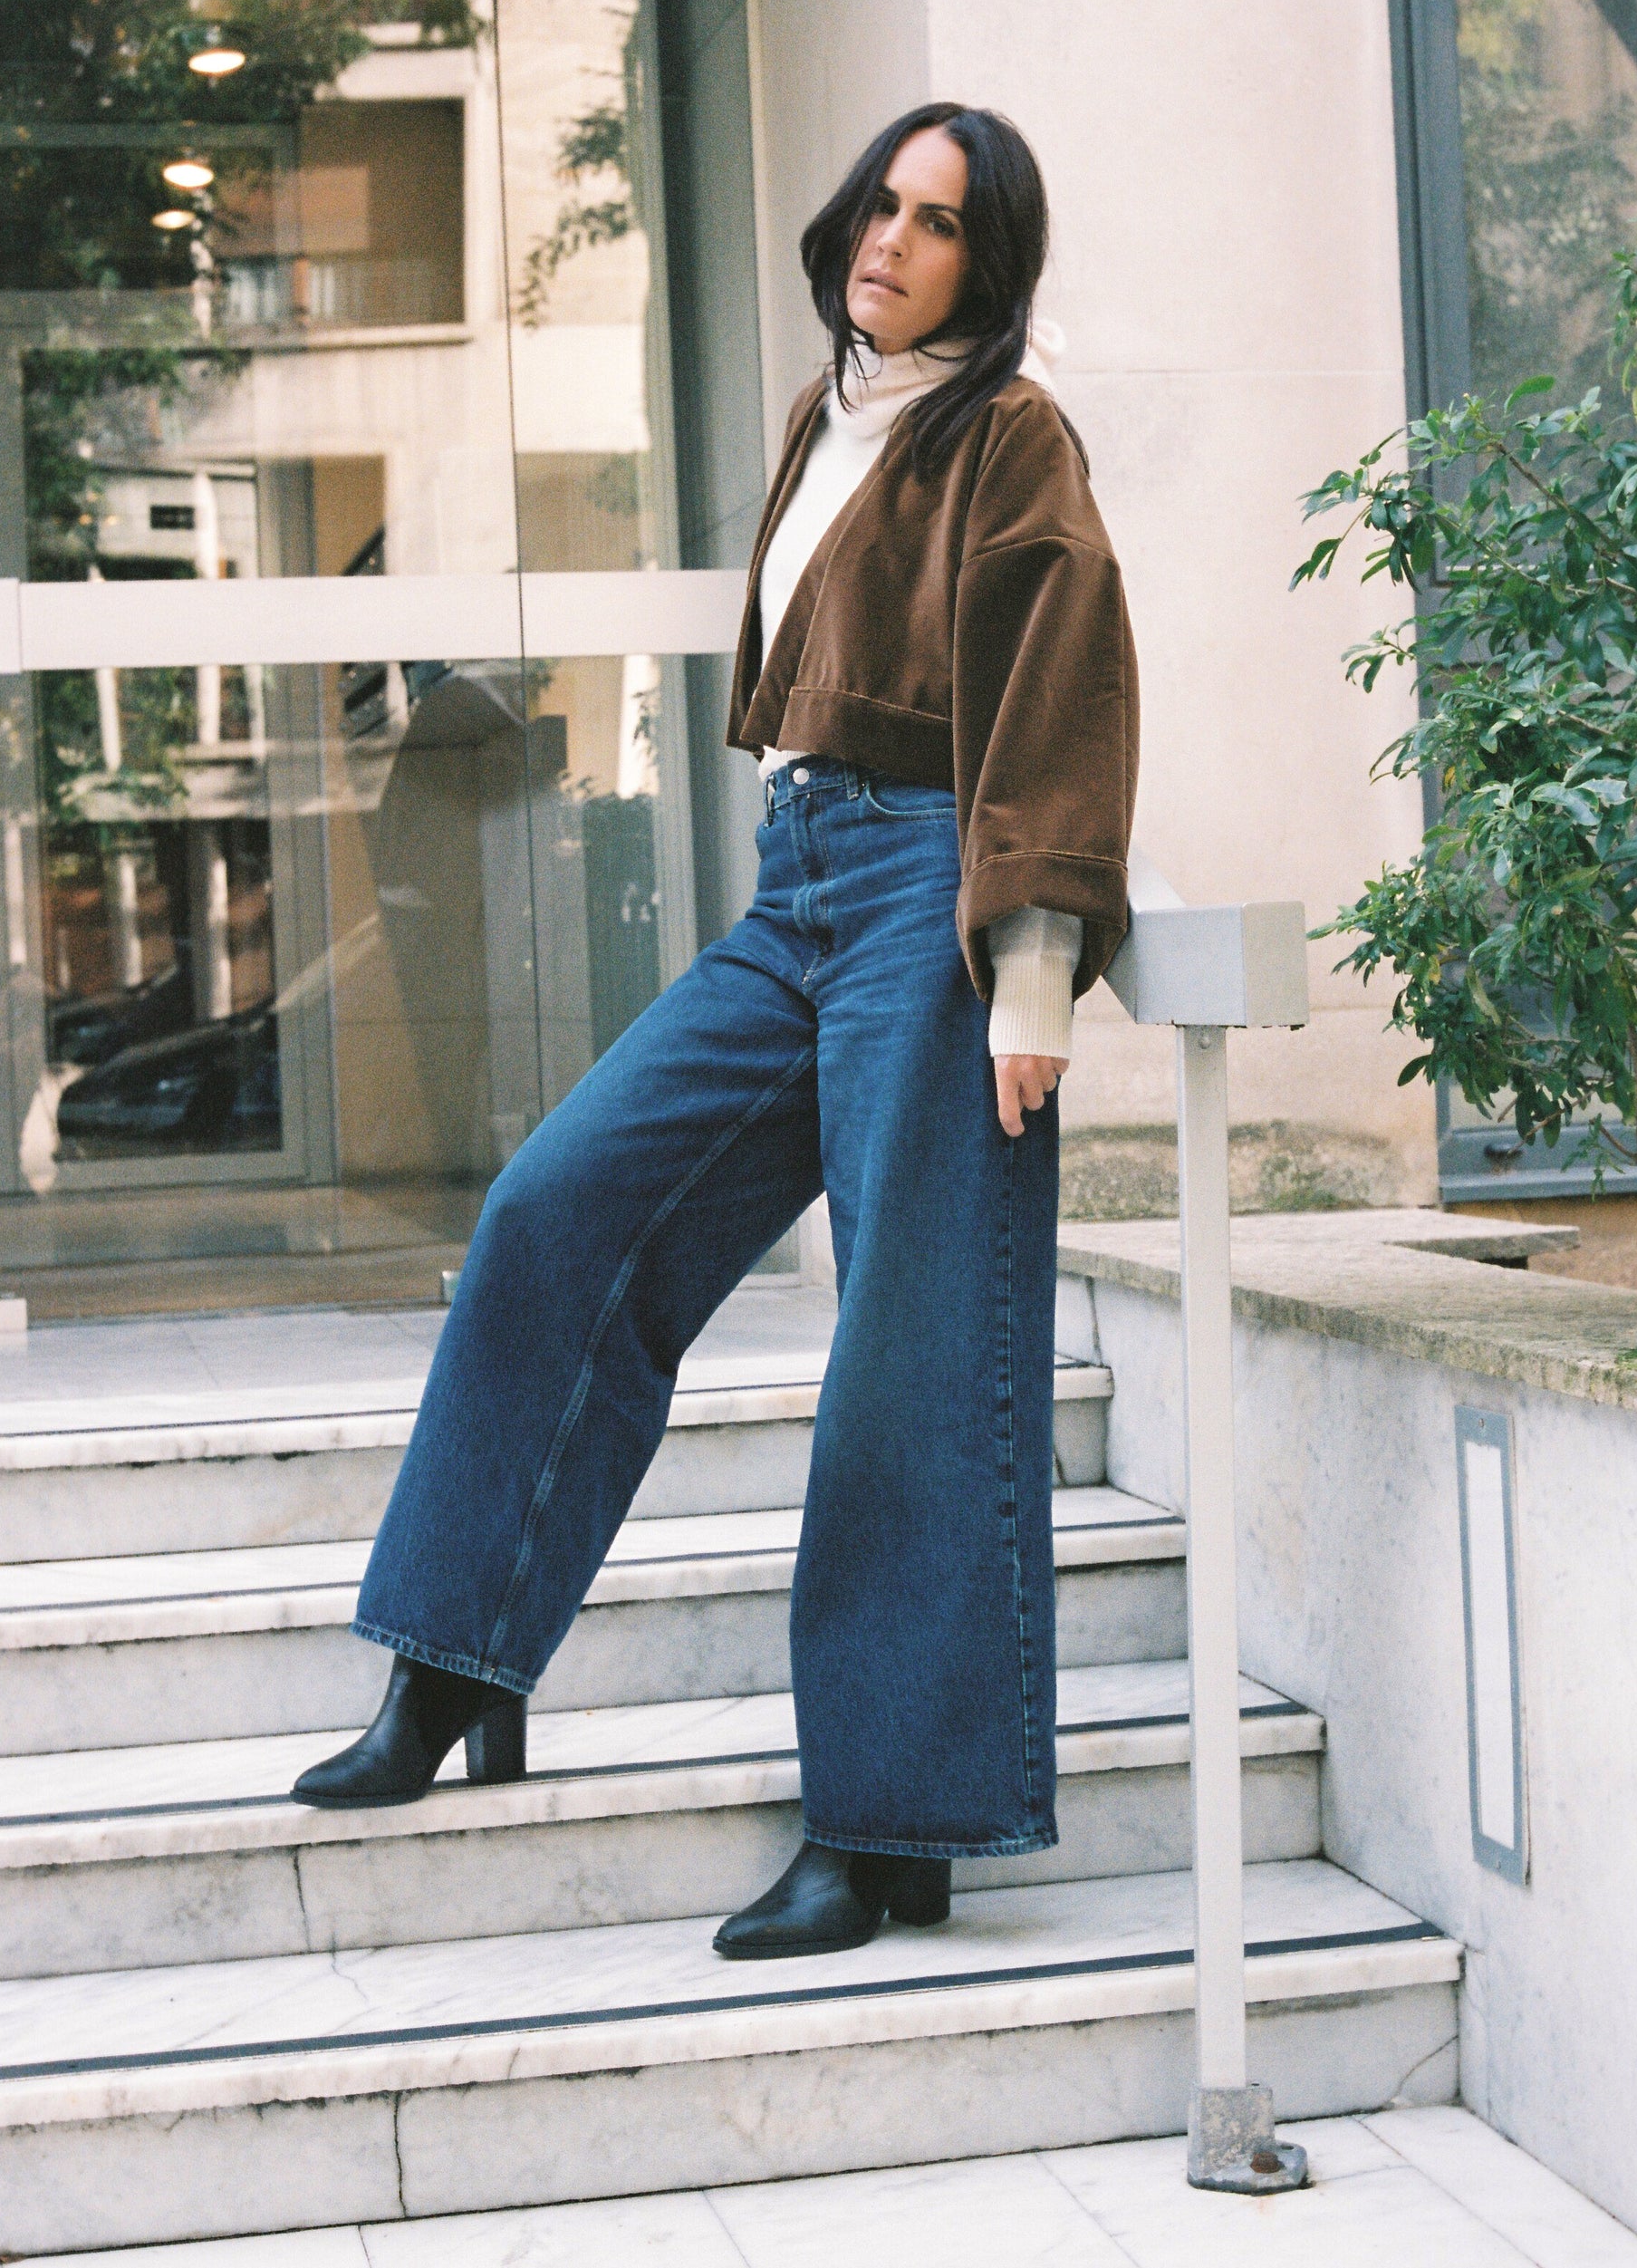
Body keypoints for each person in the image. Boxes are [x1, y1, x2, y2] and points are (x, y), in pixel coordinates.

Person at [292, 101, 1140, 1962]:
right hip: (800, 883)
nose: (892, 243)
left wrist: (1029, 969)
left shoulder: (1006, 434)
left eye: (938, 226)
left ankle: (890, 1826)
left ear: (983, 269)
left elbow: (1058, 683)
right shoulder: (828, 416)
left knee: (911, 1346)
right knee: (557, 1209)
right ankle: (456, 1663)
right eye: (880, 208)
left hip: (932, 889)